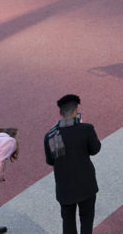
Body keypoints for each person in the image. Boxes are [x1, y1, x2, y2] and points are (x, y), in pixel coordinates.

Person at [44, 94, 101, 234]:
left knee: (68, 221)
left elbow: (51, 161)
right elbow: (95, 149)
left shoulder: (51, 135)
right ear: (76, 110)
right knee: (87, 219)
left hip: (65, 187)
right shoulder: (86, 129)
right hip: (86, 185)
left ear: (60, 113)